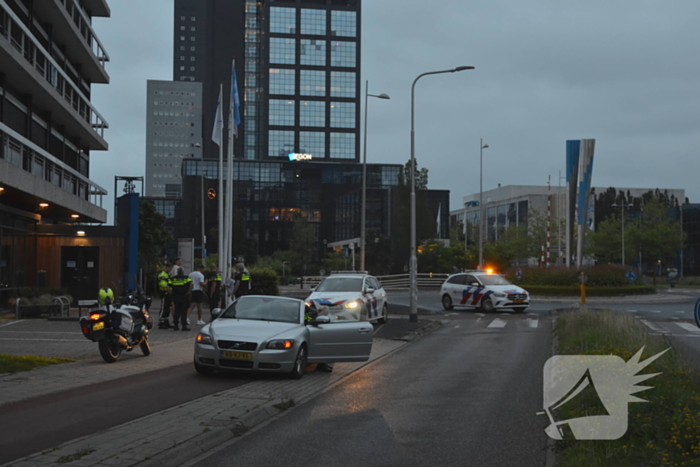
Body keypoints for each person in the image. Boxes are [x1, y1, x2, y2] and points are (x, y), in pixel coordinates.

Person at [157, 264, 173, 329]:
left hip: (168, 293)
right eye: (169, 268)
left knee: (167, 308)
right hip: (164, 292)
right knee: (163, 307)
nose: (170, 270)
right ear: (166, 267)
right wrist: (169, 290)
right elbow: (163, 284)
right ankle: (161, 322)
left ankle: (166, 321)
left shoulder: (168, 275)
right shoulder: (162, 275)